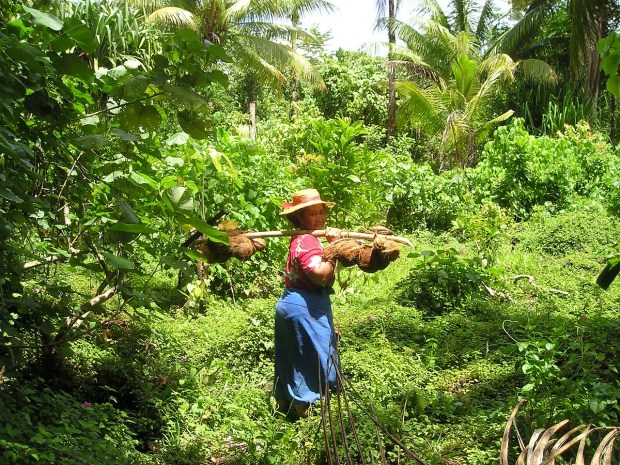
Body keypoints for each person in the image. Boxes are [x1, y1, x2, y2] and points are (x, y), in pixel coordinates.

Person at [273, 188, 342, 419]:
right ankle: (308, 414)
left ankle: (283, 410)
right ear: (299, 217)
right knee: (315, 357)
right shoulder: (308, 241)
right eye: (312, 214)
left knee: (292, 356)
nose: (320, 217)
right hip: (305, 307)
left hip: (291, 304)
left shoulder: (301, 238)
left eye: (321, 212)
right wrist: (334, 250)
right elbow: (319, 275)